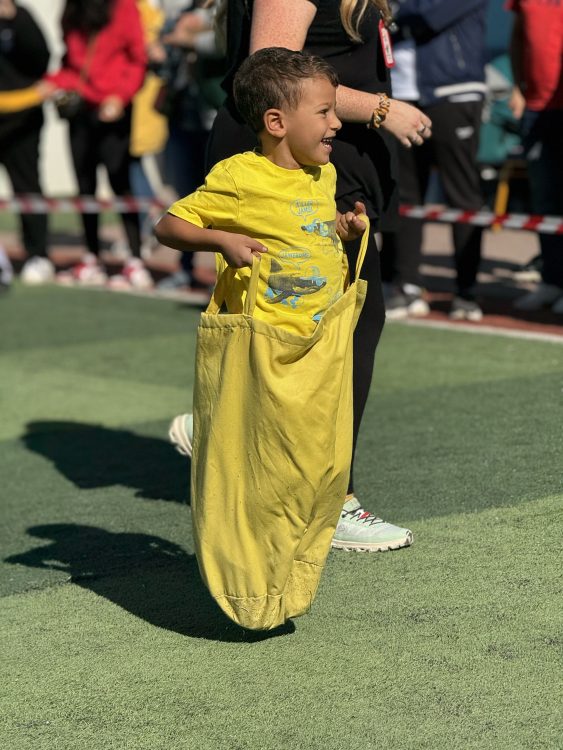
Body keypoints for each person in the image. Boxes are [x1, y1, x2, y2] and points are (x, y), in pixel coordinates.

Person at [167, 0, 433, 553]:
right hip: (290, 171)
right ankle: (333, 501)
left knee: (312, 322)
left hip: (328, 167)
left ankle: (226, 422)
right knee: (344, 324)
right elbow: (269, 72)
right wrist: (382, 108)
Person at [156, 47, 370, 627]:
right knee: (270, 469)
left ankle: (288, 577)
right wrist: (221, 241)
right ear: (276, 123)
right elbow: (170, 225)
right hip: (265, 351)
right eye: (324, 112)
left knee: (319, 467)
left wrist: (341, 229)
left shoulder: (323, 174)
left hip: (320, 346)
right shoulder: (240, 177)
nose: (335, 123)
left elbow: (306, 229)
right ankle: (252, 586)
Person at [380, 0, 489, 322]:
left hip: (453, 92)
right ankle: (407, 286)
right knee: (405, 195)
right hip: (400, 95)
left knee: (462, 195)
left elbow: (428, 16)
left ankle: (466, 292)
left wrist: (393, 18)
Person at [38, 0, 152, 289]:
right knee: (84, 185)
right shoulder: (71, 10)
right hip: (80, 111)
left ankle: (135, 260)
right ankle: (91, 257)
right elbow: (70, 62)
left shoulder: (125, 7)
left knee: (120, 182)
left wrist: (121, 96)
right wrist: (53, 83)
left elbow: (138, 58)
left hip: (115, 110)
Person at [508, 0, 563, 314]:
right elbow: (518, 37)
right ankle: (552, 281)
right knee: (544, 198)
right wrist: (517, 86)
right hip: (536, 109)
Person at [0, 0, 51, 285]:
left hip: (23, 123)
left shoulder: (21, 17)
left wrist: (14, 18)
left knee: (27, 187)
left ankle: (38, 254)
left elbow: (41, 58)